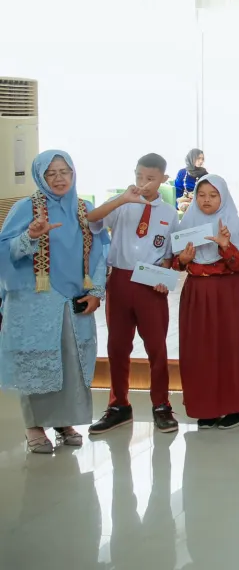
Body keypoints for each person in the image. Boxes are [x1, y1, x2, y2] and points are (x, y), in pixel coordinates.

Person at [0, 150, 109, 454]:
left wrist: (96, 292)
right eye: (52, 173)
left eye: (66, 172)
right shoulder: (25, 209)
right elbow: (5, 250)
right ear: (41, 177)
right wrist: (30, 237)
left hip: (74, 298)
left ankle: (64, 421)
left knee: (70, 362)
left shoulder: (85, 209)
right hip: (35, 302)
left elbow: (102, 250)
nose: (60, 179)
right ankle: (33, 426)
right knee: (36, 360)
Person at [86, 153, 177, 435]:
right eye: (139, 176)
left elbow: (171, 254)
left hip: (151, 284)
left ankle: (161, 404)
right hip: (121, 281)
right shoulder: (123, 204)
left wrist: (164, 274)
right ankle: (118, 405)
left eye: (150, 178)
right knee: (117, 346)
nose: (143, 183)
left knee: (157, 348)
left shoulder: (170, 213)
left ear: (163, 179)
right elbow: (91, 219)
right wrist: (123, 199)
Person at [170, 174, 239, 429]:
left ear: (223, 197)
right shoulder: (187, 223)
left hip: (228, 293)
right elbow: (175, 263)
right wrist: (185, 260)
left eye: (213, 195)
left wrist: (225, 245)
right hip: (196, 294)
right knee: (200, 351)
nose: (206, 200)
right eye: (201, 195)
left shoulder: (230, 221)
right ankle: (206, 407)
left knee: (232, 347)